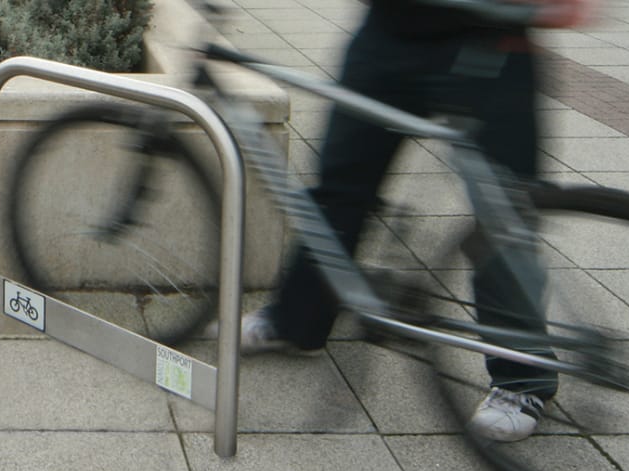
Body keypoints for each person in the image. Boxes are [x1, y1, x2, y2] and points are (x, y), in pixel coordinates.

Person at [238, 0, 599, 442]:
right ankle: (297, 320)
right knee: (340, 185)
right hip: (391, 27)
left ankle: (521, 379)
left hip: (491, 32)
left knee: (503, 217)